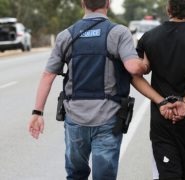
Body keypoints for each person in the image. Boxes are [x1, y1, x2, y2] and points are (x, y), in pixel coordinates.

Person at [27, 0, 148, 179]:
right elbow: (134, 69)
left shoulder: (65, 35)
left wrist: (37, 112)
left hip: (74, 118)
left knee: (76, 175)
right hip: (109, 118)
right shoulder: (118, 32)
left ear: (82, 3)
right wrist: (146, 63)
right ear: (108, 3)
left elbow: (48, 75)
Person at [130, 0, 185, 179]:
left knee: (167, 174)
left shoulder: (150, 37)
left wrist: (160, 101)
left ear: (168, 9)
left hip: (162, 119)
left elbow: (134, 74)